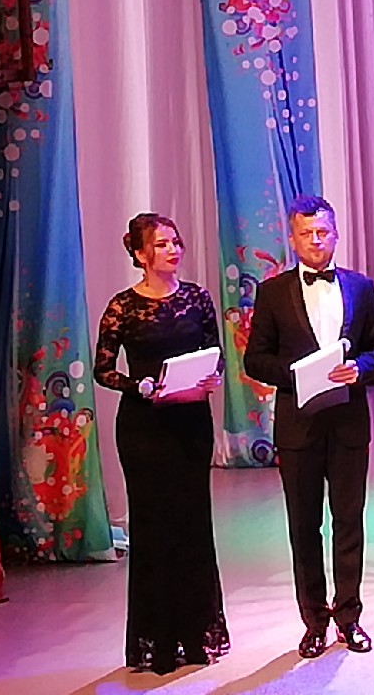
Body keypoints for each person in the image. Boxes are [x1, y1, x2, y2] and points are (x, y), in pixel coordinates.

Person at [244, 195, 374, 658]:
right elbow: (254, 359)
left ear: (336, 235)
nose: (315, 241)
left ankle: (349, 616)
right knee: (304, 527)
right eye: (306, 234)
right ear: (292, 239)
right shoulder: (273, 293)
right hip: (299, 426)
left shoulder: (361, 287)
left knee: (349, 522)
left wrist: (360, 368)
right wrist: (298, 374)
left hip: (348, 424)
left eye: (322, 232)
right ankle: (313, 622)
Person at [93, 213, 230, 674]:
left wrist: (210, 378)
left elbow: (216, 354)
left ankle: (197, 635)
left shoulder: (198, 298)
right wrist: (141, 386)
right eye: (162, 244)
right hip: (145, 428)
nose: (173, 250)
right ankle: (158, 641)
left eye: (175, 242)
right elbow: (103, 369)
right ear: (140, 254)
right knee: (153, 529)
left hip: (191, 422)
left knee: (193, 526)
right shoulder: (123, 306)